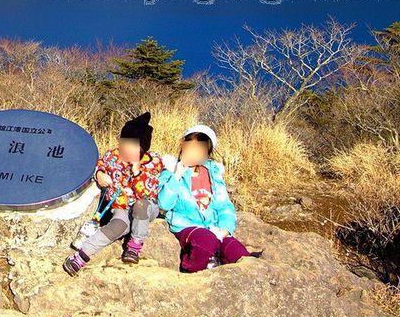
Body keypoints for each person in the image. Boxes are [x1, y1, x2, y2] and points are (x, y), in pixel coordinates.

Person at [63, 112, 163, 275]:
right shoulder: (113, 156)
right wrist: (100, 174)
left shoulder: (152, 163)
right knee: (117, 226)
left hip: (146, 207)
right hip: (120, 207)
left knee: (141, 206)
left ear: (142, 148)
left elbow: (148, 193)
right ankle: (81, 256)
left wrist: (136, 171)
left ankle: (134, 246)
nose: (126, 148)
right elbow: (98, 165)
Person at [158, 124, 261, 272]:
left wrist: (225, 229)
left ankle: (221, 262)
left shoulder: (213, 174)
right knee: (206, 241)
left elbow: (224, 206)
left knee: (237, 251)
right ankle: (191, 271)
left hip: (213, 227)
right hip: (187, 226)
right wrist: (177, 175)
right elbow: (164, 204)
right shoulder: (170, 171)